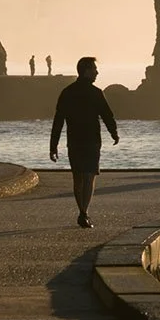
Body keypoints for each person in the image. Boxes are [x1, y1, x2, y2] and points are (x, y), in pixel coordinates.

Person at [48, 57, 119, 227]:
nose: (97, 72)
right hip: (92, 140)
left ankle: (82, 211)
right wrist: (113, 133)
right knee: (89, 177)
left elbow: (58, 120)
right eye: (94, 69)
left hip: (74, 141)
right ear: (86, 70)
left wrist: (53, 145)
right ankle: (84, 212)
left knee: (78, 177)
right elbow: (107, 115)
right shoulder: (96, 93)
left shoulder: (67, 92)